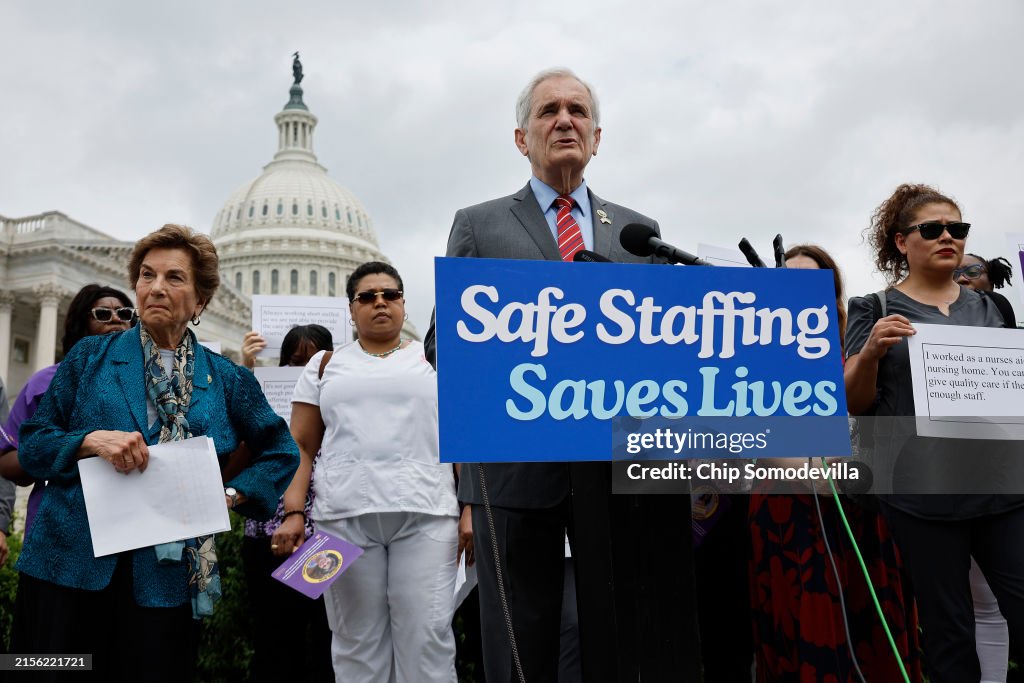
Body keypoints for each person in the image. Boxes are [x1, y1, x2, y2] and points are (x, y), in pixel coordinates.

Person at [423, 67, 699, 682]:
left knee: (618, 637)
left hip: (616, 467)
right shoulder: (480, 223)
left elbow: (664, 345)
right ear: (523, 138)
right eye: (549, 111)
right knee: (521, 640)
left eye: (578, 111)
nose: (565, 120)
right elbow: (444, 343)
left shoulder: (638, 231)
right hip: (517, 468)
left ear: (597, 137)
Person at [12, 224, 298, 682]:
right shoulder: (89, 358)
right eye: (147, 275)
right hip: (67, 564)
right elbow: (33, 444)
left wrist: (228, 495)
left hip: (164, 580)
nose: (156, 288)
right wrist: (89, 441)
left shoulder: (226, 379)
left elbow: (281, 451)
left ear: (201, 300)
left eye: (174, 278)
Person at [845, 184, 1024, 682]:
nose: (948, 237)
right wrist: (872, 353)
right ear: (902, 242)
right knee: (948, 633)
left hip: (1004, 488)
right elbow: (855, 402)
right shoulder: (874, 307)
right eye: (933, 229)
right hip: (922, 496)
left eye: (958, 229)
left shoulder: (996, 309)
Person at [748, 245, 920, 682]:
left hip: (859, 511)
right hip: (789, 512)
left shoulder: (851, 352)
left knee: (870, 627)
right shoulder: (753, 352)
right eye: (788, 280)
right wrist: (810, 476)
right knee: (807, 623)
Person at [281, 261, 459, 682]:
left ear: (402, 303)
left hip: (427, 514)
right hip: (342, 520)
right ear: (351, 308)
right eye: (367, 296)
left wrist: (469, 507)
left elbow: (464, 440)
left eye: (390, 295)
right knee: (355, 641)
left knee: (428, 637)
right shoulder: (324, 365)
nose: (380, 303)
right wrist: (293, 512)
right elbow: (302, 445)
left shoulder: (435, 360)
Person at [0, 284, 136, 555]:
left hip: (131, 532)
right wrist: (72, 448)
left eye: (124, 313)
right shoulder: (46, 383)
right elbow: (8, 464)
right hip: (57, 535)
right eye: (102, 314)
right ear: (79, 325)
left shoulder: (149, 386)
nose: (116, 320)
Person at [239, 324, 334, 683]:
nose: (305, 372)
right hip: (269, 536)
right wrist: (248, 370)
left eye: (314, 363)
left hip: (322, 537)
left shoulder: (344, 408)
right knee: (275, 639)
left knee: (324, 637)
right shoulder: (262, 405)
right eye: (295, 363)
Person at [956, 253, 1017, 327]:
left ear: (991, 282)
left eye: (973, 272)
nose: (961, 279)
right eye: (951, 274)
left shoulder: (999, 303)